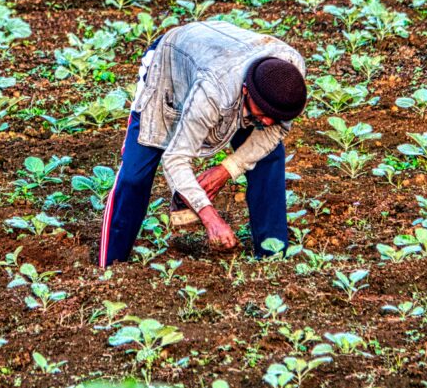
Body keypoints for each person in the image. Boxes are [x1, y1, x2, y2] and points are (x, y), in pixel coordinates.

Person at [99, 20, 307, 268]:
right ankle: (111, 265)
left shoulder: (290, 78)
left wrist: (227, 169)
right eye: (261, 112)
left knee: (268, 156)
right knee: (135, 174)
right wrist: (210, 218)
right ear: (246, 91)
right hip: (169, 66)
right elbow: (176, 159)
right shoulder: (213, 93)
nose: (269, 121)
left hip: (221, 56)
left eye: (276, 116)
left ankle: (272, 256)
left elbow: (274, 132)